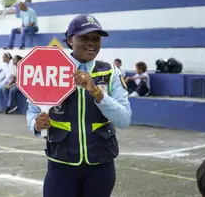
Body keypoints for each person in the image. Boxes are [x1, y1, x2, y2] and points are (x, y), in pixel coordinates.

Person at [26, 14, 132, 197]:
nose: (91, 43)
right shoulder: (49, 68)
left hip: (101, 166)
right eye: (84, 37)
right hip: (61, 165)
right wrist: (35, 125)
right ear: (69, 40)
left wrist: (97, 93)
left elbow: (124, 119)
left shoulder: (110, 72)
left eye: (96, 39)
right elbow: (32, 111)